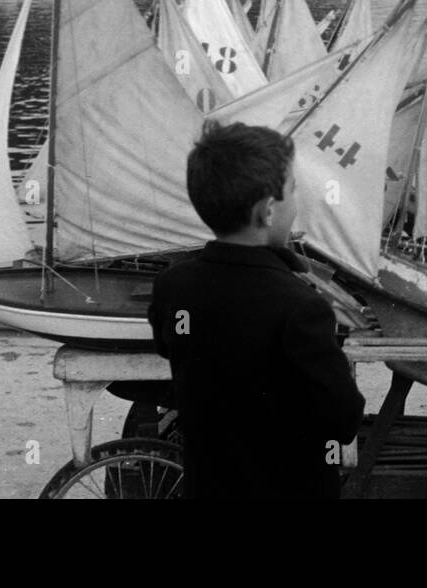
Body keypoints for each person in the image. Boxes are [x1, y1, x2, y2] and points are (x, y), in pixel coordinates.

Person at [148, 122, 364, 499]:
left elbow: (175, 349)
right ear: (267, 212)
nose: (297, 205)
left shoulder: (173, 287)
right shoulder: (301, 306)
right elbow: (343, 416)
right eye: (293, 192)